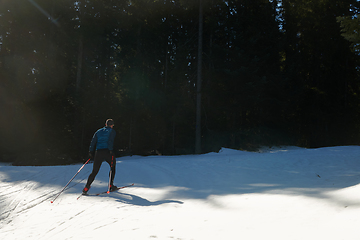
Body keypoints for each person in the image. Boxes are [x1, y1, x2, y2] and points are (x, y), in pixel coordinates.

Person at [83, 119, 117, 194]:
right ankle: (110, 185)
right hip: (107, 151)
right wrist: (111, 150)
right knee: (112, 167)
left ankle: (86, 187)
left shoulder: (98, 131)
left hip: (98, 152)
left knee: (94, 171)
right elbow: (110, 141)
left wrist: (90, 151)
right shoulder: (112, 131)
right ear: (112, 125)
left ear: (105, 124)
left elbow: (93, 141)